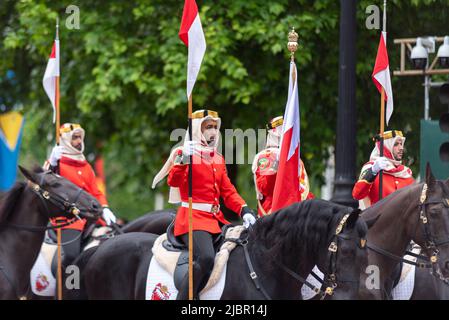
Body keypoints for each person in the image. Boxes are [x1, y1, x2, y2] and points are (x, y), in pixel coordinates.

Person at [152, 109, 257, 299]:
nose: (213, 131)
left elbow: (228, 191)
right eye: (208, 127)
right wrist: (184, 158)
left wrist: (245, 210)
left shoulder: (218, 158)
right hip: (192, 219)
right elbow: (173, 182)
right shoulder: (183, 152)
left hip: (215, 219)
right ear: (197, 129)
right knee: (207, 258)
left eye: (215, 127)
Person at [44, 123, 117, 267]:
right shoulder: (56, 163)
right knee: (72, 256)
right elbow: (45, 182)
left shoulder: (86, 166)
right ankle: (67, 287)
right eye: (74, 138)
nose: (79, 141)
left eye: (80, 138)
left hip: (91, 217)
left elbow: (95, 192)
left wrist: (105, 207)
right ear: (65, 139)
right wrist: (52, 163)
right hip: (68, 219)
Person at [251, 116, 314, 217]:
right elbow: (264, 187)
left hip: (296, 211)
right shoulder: (265, 156)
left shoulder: (294, 157)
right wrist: (275, 166)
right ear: (274, 132)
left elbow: (302, 190)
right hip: (274, 214)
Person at [352, 130, 414, 209]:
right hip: (375, 220)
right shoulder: (371, 168)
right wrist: (373, 171)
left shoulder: (406, 173)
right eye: (396, 144)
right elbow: (357, 194)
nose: (401, 148)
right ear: (385, 147)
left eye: (401, 144)